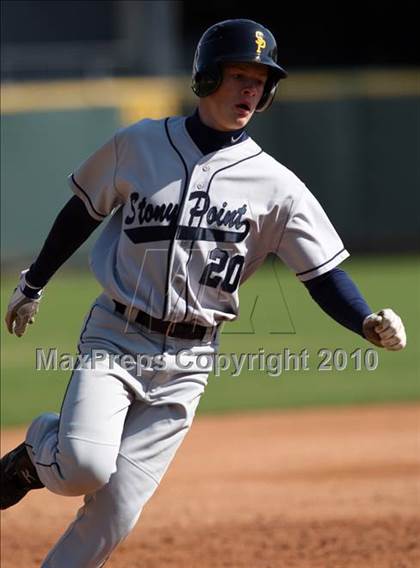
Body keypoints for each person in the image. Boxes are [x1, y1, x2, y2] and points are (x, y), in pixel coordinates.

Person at [1, 18, 406, 567]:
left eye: (260, 81)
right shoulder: (139, 143)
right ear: (206, 76)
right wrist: (33, 283)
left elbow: (324, 274)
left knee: (116, 510)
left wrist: (363, 321)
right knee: (84, 468)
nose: (249, 90)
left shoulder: (277, 186)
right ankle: (33, 456)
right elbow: (82, 211)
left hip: (190, 360)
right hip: (117, 336)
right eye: (239, 75)